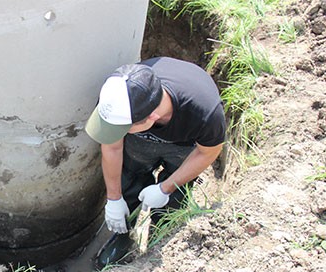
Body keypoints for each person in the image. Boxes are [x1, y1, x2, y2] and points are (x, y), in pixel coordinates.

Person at [85, 57, 226, 260]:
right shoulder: (117, 95)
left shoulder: (204, 113)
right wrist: (114, 198)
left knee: (172, 200)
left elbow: (208, 152)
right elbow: (112, 146)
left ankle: (159, 242)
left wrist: (165, 188)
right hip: (140, 142)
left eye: (123, 128)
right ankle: (123, 236)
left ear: (151, 118)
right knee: (130, 180)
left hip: (183, 146)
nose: (117, 131)